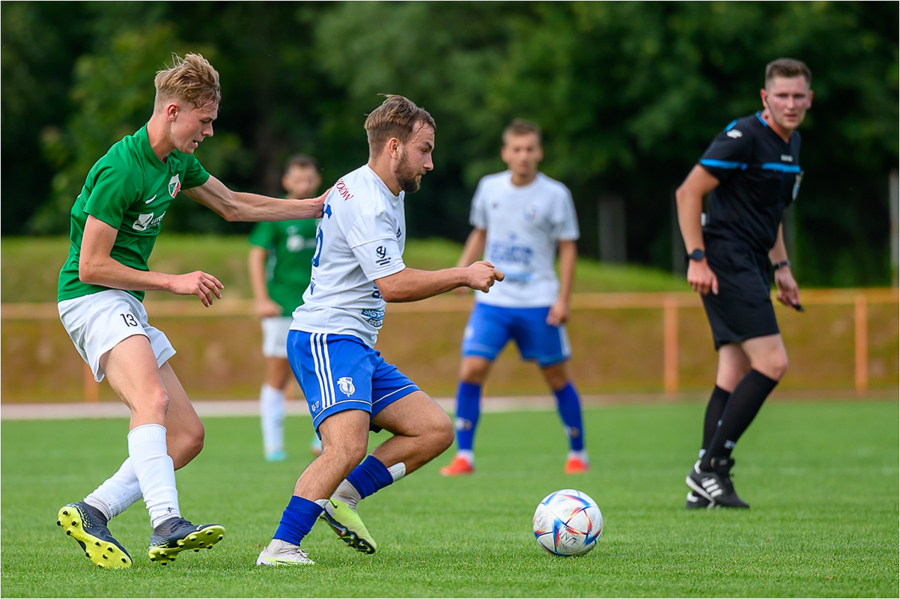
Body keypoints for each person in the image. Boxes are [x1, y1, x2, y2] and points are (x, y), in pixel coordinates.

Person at [55, 53, 324, 568]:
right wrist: (172, 281)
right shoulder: (121, 167)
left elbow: (233, 206)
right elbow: (90, 265)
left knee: (187, 436)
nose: (209, 132)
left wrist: (316, 206)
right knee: (151, 401)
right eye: (205, 121)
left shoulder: (176, 161)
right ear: (174, 111)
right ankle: (166, 524)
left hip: (121, 301)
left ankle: (93, 510)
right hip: (90, 299)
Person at [256, 94, 504, 566]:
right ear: (393, 147)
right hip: (327, 338)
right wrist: (462, 273)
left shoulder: (370, 187)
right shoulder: (368, 200)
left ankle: (342, 498)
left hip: (356, 344)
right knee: (346, 446)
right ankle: (281, 547)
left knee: (432, 430)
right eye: (424, 149)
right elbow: (392, 285)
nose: (430, 162)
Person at [675, 58, 811, 509]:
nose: (790, 103)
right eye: (782, 95)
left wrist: (783, 268)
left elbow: (772, 217)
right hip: (724, 259)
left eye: (798, 96)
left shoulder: (791, 147)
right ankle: (709, 468)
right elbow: (688, 192)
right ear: (765, 98)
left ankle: (709, 482)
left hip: (752, 262)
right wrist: (697, 258)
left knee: (732, 373)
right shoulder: (744, 136)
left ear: (809, 99)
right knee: (772, 363)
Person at [439, 119, 588, 477]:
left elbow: (567, 249)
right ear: (506, 153)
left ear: (539, 152)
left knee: (555, 375)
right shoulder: (489, 188)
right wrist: (461, 273)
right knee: (472, 369)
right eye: (516, 149)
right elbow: (480, 232)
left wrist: (563, 299)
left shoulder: (556, 194)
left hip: (539, 299)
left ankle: (577, 453)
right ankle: (465, 456)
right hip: (493, 300)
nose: (523, 156)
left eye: (529, 149)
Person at [248, 154, 324, 461]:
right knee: (278, 374)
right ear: (286, 182)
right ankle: (273, 445)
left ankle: (324, 438)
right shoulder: (277, 212)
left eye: (309, 178)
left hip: (320, 306)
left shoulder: (327, 210)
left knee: (323, 372)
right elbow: (257, 255)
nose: (304, 184)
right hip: (283, 306)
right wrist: (262, 298)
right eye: (298, 178)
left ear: (317, 180)